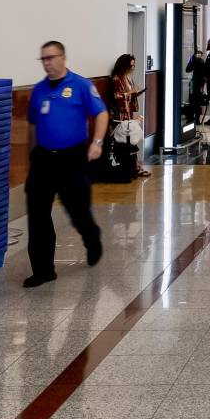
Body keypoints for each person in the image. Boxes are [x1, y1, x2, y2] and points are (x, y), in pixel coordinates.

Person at [24, 40, 107, 288]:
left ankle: (92, 238)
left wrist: (97, 143)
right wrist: (31, 155)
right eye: (43, 59)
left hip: (72, 158)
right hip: (43, 159)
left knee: (77, 211)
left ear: (62, 57)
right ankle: (43, 270)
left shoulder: (80, 85)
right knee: (38, 215)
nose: (47, 62)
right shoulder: (39, 90)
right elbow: (32, 124)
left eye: (51, 57)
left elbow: (101, 113)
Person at [109, 53, 149, 178]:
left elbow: (128, 94)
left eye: (134, 65)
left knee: (131, 139)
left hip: (128, 112)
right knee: (127, 141)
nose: (133, 68)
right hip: (121, 115)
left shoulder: (127, 78)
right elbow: (118, 97)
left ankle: (135, 166)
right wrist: (131, 92)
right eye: (131, 65)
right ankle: (133, 166)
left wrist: (134, 92)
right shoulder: (117, 79)